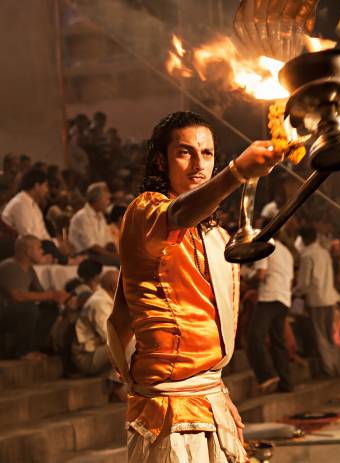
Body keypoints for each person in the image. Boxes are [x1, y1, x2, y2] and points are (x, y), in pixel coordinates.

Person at [106, 111, 282, 463]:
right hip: (167, 410)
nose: (198, 164)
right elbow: (178, 216)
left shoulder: (216, 236)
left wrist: (217, 391)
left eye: (207, 154)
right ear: (162, 161)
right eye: (185, 152)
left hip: (210, 398)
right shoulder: (145, 213)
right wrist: (236, 173)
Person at [0, 235, 68, 359]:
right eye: (39, 248)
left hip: (16, 311)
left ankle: (34, 347)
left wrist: (59, 297)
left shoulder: (29, 269)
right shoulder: (10, 266)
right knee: (28, 308)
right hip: (4, 312)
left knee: (51, 307)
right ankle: (21, 351)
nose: (42, 251)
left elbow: (41, 293)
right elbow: (17, 296)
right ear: (28, 251)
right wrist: (51, 294)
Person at [247, 229, 294, 393]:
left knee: (254, 336)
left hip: (269, 296)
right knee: (278, 342)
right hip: (284, 298)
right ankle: (286, 382)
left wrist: (247, 275)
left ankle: (266, 375)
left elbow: (261, 275)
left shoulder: (264, 246)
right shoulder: (287, 251)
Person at [295, 225, 340, 376]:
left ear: (304, 239)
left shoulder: (306, 255)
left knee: (321, 335)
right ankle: (336, 365)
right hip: (330, 298)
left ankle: (329, 369)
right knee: (330, 334)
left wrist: (294, 293)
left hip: (316, 300)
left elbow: (304, 283)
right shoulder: (325, 253)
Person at [72, 269, 118, 375]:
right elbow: (109, 337)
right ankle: (119, 388)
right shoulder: (99, 303)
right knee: (127, 347)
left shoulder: (112, 300)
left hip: (100, 350)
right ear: (115, 287)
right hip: (87, 356)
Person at [68, 182, 118, 266]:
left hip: (99, 254)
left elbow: (107, 240)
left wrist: (112, 246)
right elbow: (91, 246)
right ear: (97, 200)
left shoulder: (101, 216)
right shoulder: (82, 216)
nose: (109, 202)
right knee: (120, 262)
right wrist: (111, 255)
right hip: (86, 255)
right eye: (106, 199)